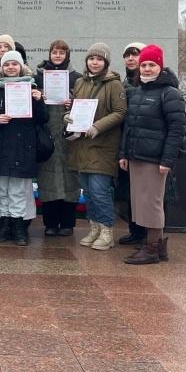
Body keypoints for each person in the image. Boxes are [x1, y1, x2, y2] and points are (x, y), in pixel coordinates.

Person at [118, 44, 186, 265]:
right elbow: (130, 126)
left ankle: (151, 248)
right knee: (140, 202)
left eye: (152, 65)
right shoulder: (138, 92)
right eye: (144, 65)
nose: (147, 69)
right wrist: (124, 154)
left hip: (155, 159)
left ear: (160, 67)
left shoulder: (170, 93)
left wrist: (167, 159)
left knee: (152, 204)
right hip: (136, 156)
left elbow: (176, 129)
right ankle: (158, 248)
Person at [0, 51, 48, 246]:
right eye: (7, 64)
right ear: (2, 67)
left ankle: (18, 226)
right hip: (1, 146)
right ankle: (4, 223)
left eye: (14, 64)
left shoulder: (31, 87)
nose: (11, 67)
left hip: (23, 146)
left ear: (21, 66)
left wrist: (38, 100)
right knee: (3, 188)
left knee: (18, 189)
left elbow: (43, 118)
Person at [67, 43, 127, 251]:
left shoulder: (114, 84)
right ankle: (94, 228)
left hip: (103, 146)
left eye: (99, 59)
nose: (95, 62)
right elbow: (76, 106)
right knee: (89, 192)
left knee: (100, 190)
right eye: (91, 58)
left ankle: (107, 230)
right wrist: (70, 117)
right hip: (82, 146)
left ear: (106, 62)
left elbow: (120, 112)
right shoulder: (81, 82)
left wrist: (97, 127)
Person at [34, 40, 82, 236]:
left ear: (67, 55)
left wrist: (73, 102)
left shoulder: (77, 78)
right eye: (55, 52)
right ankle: (51, 223)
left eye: (62, 52)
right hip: (46, 134)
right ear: (50, 53)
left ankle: (68, 224)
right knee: (48, 179)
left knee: (69, 178)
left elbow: (84, 105)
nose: (58, 55)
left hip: (67, 134)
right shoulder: (38, 77)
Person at [117, 41, 148, 246]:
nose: (130, 58)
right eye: (127, 55)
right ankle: (135, 230)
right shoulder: (123, 84)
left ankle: (151, 235)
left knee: (147, 192)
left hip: (147, 144)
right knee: (130, 191)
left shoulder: (151, 83)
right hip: (126, 142)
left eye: (135, 54)